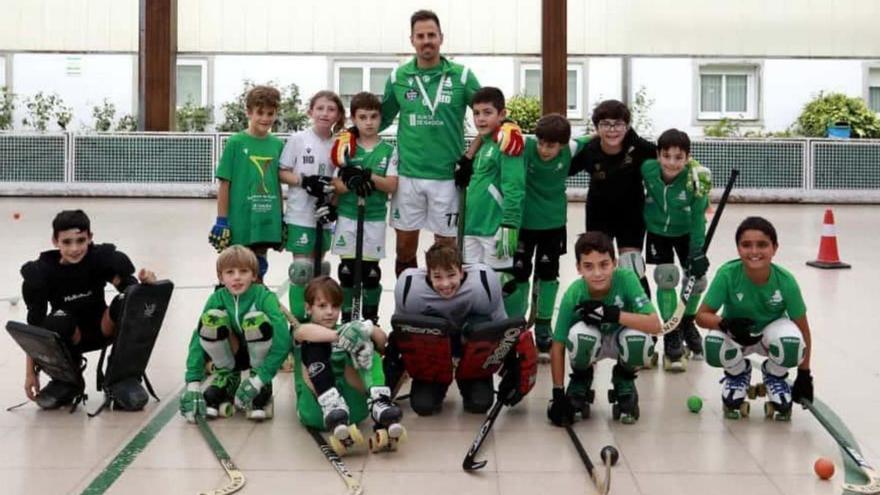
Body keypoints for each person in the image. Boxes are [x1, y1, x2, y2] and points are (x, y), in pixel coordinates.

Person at [20, 209, 157, 410]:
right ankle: (67, 381)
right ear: (55, 241)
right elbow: (34, 328)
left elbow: (129, 290)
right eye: (67, 242)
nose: (74, 248)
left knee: (128, 300)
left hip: (103, 327)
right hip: (68, 335)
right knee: (53, 321)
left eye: (81, 240)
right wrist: (30, 374)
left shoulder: (100, 259)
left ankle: (121, 378)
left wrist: (146, 282)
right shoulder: (41, 272)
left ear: (90, 238)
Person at [390, 243, 536, 415]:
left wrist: (513, 366)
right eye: (437, 277)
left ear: (461, 270)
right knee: (423, 406)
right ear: (427, 273)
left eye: (451, 275)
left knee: (480, 403)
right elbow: (402, 335)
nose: (445, 284)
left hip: (471, 346)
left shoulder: (484, 282)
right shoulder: (409, 288)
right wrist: (392, 375)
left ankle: (473, 378)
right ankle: (433, 381)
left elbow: (501, 331)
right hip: (431, 350)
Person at [695, 217, 814, 420]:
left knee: (792, 344)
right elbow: (701, 316)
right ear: (738, 248)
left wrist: (804, 374)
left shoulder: (786, 282)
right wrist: (725, 324)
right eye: (746, 245)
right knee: (712, 344)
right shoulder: (727, 275)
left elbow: (803, 330)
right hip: (738, 335)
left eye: (762, 245)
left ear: (775, 248)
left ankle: (775, 375)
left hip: (771, 333)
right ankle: (738, 373)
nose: (754, 251)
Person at [547, 232, 661, 425]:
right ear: (578, 268)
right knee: (579, 336)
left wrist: (613, 314)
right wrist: (558, 393)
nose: (598, 273)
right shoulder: (574, 294)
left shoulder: (626, 279)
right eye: (588, 266)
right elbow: (557, 345)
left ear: (614, 263)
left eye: (604, 264)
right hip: (591, 343)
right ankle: (581, 379)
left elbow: (655, 325)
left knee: (639, 340)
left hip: (620, 338)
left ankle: (624, 379)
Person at [505, 113, 591, 359]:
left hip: (552, 223)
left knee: (548, 273)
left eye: (551, 145)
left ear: (562, 145)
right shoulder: (526, 146)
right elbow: (503, 133)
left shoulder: (571, 148)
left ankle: (543, 325)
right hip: (524, 222)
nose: (544, 149)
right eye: (541, 143)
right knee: (519, 272)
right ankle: (516, 326)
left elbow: (591, 138)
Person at [292, 276, 404, 453]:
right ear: (308, 308)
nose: (329, 312)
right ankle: (331, 402)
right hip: (315, 410)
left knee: (366, 346)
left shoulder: (347, 328)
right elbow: (302, 332)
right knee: (314, 347)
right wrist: (341, 336)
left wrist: (364, 328)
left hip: (353, 410)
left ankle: (379, 400)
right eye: (322, 306)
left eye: (334, 306)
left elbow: (382, 341)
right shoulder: (305, 332)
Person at [180, 245, 292, 422]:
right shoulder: (217, 298)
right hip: (231, 355)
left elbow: (283, 339)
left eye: (244, 271)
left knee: (255, 320)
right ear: (221, 277)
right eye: (230, 272)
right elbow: (198, 337)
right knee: (211, 320)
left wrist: (261, 379)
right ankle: (227, 379)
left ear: (254, 275)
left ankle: (259, 384)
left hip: (259, 359)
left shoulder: (264, 297)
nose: (237, 277)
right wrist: (193, 383)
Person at [569, 100, 656, 298]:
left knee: (631, 265)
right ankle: (599, 312)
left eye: (618, 124)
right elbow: (559, 167)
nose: (612, 130)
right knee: (598, 266)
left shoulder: (639, 147)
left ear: (627, 126)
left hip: (631, 215)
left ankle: (644, 316)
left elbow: (669, 155)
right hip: (599, 215)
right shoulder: (590, 150)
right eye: (605, 124)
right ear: (597, 127)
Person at [641, 129, 712, 370]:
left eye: (679, 157)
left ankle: (687, 322)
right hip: (657, 232)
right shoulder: (647, 169)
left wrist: (698, 251)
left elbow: (698, 218)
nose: (672, 163)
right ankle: (671, 334)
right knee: (666, 278)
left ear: (688, 157)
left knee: (698, 281)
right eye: (667, 156)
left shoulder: (696, 179)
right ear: (658, 155)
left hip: (685, 233)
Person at [330, 91, 399, 325]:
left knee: (370, 274)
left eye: (373, 117)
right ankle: (348, 320)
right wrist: (351, 183)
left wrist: (367, 176)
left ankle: (371, 321)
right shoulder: (345, 147)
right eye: (363, 117)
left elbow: (391, 184)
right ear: (353, 119)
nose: (369, 122)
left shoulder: (389, 150)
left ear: (381, 119)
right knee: (347, 273)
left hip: (374, 217)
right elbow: (336, 184)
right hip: (349, 216)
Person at [279, 90, 346, 321]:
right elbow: (282, 172)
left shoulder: (340, 143)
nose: (325, 113)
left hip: (323, 216)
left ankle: (318, 321)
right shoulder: (298, 139)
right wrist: (304, 181)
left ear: (338, 114)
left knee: (320, 270)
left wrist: (333, 206)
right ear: (310, 112)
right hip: (300, 215)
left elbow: (340, 180)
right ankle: (298, 323)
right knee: (301, 271)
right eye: (320, 108)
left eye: (331, 109)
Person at [209, 85, 285, 282]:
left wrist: (281, 218)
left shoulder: (277, 145)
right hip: (240, 223)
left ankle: (255, 312)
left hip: (265, 221)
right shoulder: (235, 143)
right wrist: (222, 220)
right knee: (236, 275)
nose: (265, 118)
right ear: (248, 112)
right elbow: (225, 184)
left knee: (258, 273)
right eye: (260, 113)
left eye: (270, 113)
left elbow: (277, 183)